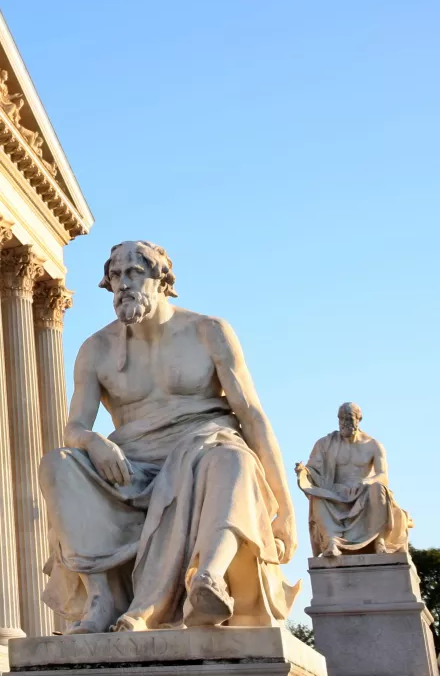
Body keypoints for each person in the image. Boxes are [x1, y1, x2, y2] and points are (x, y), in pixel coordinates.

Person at [39, 240, 300, 634]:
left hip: (204, 446)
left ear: (162, 280)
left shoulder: (207, 331)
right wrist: (94, 442)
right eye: (114, 276)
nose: (122, 285)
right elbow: (75, 427)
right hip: (131, 465)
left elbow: (251, 414)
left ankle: (206, 578)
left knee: (230, 457)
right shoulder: (95, 349)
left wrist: (286, 507)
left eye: (133, 273)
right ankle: (101, 598)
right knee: (59, 464)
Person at [295, 402, 412, 557]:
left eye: (349, 418)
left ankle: (379, 541)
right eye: (341, 419)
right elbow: (314, 471)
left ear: (358, 419)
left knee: (378, 489)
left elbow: (383, 475)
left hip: (363, 493)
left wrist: (367, 482)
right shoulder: (325, 443)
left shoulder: (373, 445)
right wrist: (304, 472)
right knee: (317, 496)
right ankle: (332, 542)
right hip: (336, 494)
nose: (344, 423)